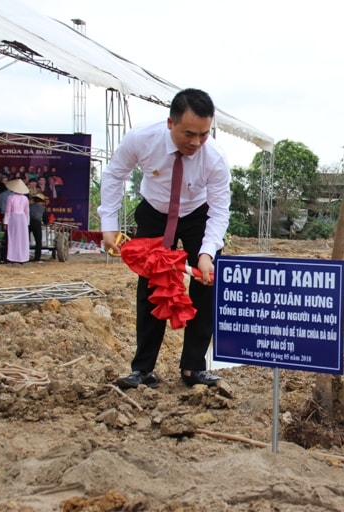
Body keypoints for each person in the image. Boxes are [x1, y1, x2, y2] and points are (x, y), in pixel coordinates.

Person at [99, 88, 231, 389]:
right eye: (189, 133)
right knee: (152, 287)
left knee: (207, 284)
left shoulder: (215, 157)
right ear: (170, 123)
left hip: (199, 216)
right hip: (155, 213)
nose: (196, 142)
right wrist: (108, 224)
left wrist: (207, 253)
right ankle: (143, 369)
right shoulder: (140, 139)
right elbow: (114, 175)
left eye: (204, 134)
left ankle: (193, 368)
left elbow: (220, 209)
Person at [3, 178, 30, 264]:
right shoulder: (25, 198)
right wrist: (27, 222)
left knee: (13, 238)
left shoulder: (10, 197)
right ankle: (22, 257)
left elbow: (8, 211)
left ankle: (12, 257)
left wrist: (5, 222)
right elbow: (27, 212)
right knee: (22, 238)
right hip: (22, 219)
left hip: (13, 218)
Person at [29, 193, 48, 263]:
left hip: (28, 223)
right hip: (37, 223)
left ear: (34, 200)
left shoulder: (29, 206)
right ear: (41, 201)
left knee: (26, 240)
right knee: (38, 241)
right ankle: (37, 258)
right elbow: (45, 219)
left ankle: (24, 256)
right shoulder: (43, 208)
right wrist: (46, 223)